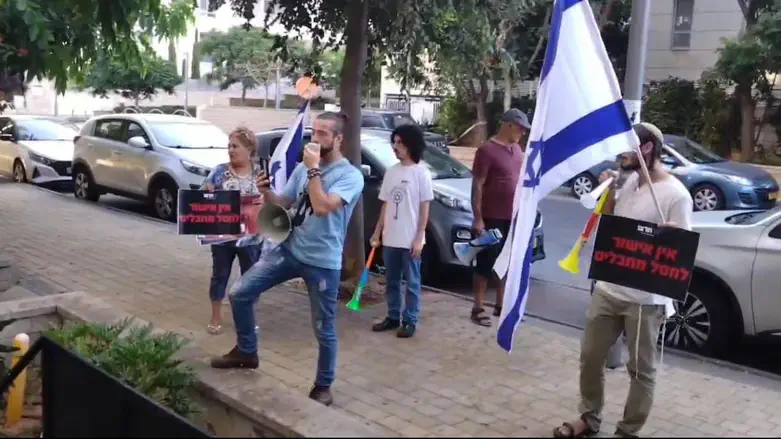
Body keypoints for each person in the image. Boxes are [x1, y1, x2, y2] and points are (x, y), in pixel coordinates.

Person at [210, 112, 364, 408]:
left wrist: (313, 170)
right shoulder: (302, 169)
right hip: (290, 249)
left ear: (339, 139)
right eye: (313, 132)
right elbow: (284, 203)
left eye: (322, 134)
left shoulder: (350, 176)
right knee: (240, 293)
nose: (314, 139)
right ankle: (247, 351)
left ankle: (323, 385)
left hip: (323, 262)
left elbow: (321, 207)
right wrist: (266, 189)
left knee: (323, 327)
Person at [554, 122, 693, 438]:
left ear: (646, 149)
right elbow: (614, 228)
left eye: (625, 148)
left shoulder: (676, 196)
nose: (618, 155)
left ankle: (628, 430)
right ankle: (589, 418)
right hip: (609, 288)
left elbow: (680, 252)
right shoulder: (628, 182)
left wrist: (671, 236)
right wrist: (612, 194)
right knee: (590, 356)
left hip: (645, 300)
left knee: (641, 370)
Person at [369, 124, 434, 338]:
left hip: (410, 240)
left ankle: (410, 320)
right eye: (394, 142)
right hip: (391, 238)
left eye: (400, 143)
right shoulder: (391, 172)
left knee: (412, 283)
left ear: (410, 144)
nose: (395, 147)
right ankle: (393, 316)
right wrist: (377, 232)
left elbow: (425, 208)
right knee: (392, 281)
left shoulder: (421, 173)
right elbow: (385, 205)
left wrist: (419, 238)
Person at [469, 108, 530, 327]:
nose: (522, 133)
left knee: (507, 263)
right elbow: (477, 184)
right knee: (485, 262)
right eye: (521, 128)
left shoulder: (518, 150)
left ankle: (501, 304)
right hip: (491, 216)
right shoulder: (487, 151)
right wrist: (478, 218)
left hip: (511, 218)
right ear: (509, 125)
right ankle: (477, 307)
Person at [201, 126, 263, 335]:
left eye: (235, 146)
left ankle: (248, 318)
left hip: (251, 238)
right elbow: (203, 195)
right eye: (229, 146)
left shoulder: (260, 173)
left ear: (249, 149)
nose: (231, 150)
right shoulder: (219, 171)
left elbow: (272, 199)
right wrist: (206, 191)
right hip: (222, 236)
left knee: (251, 278)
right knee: (220, 275)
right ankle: (215, 316)